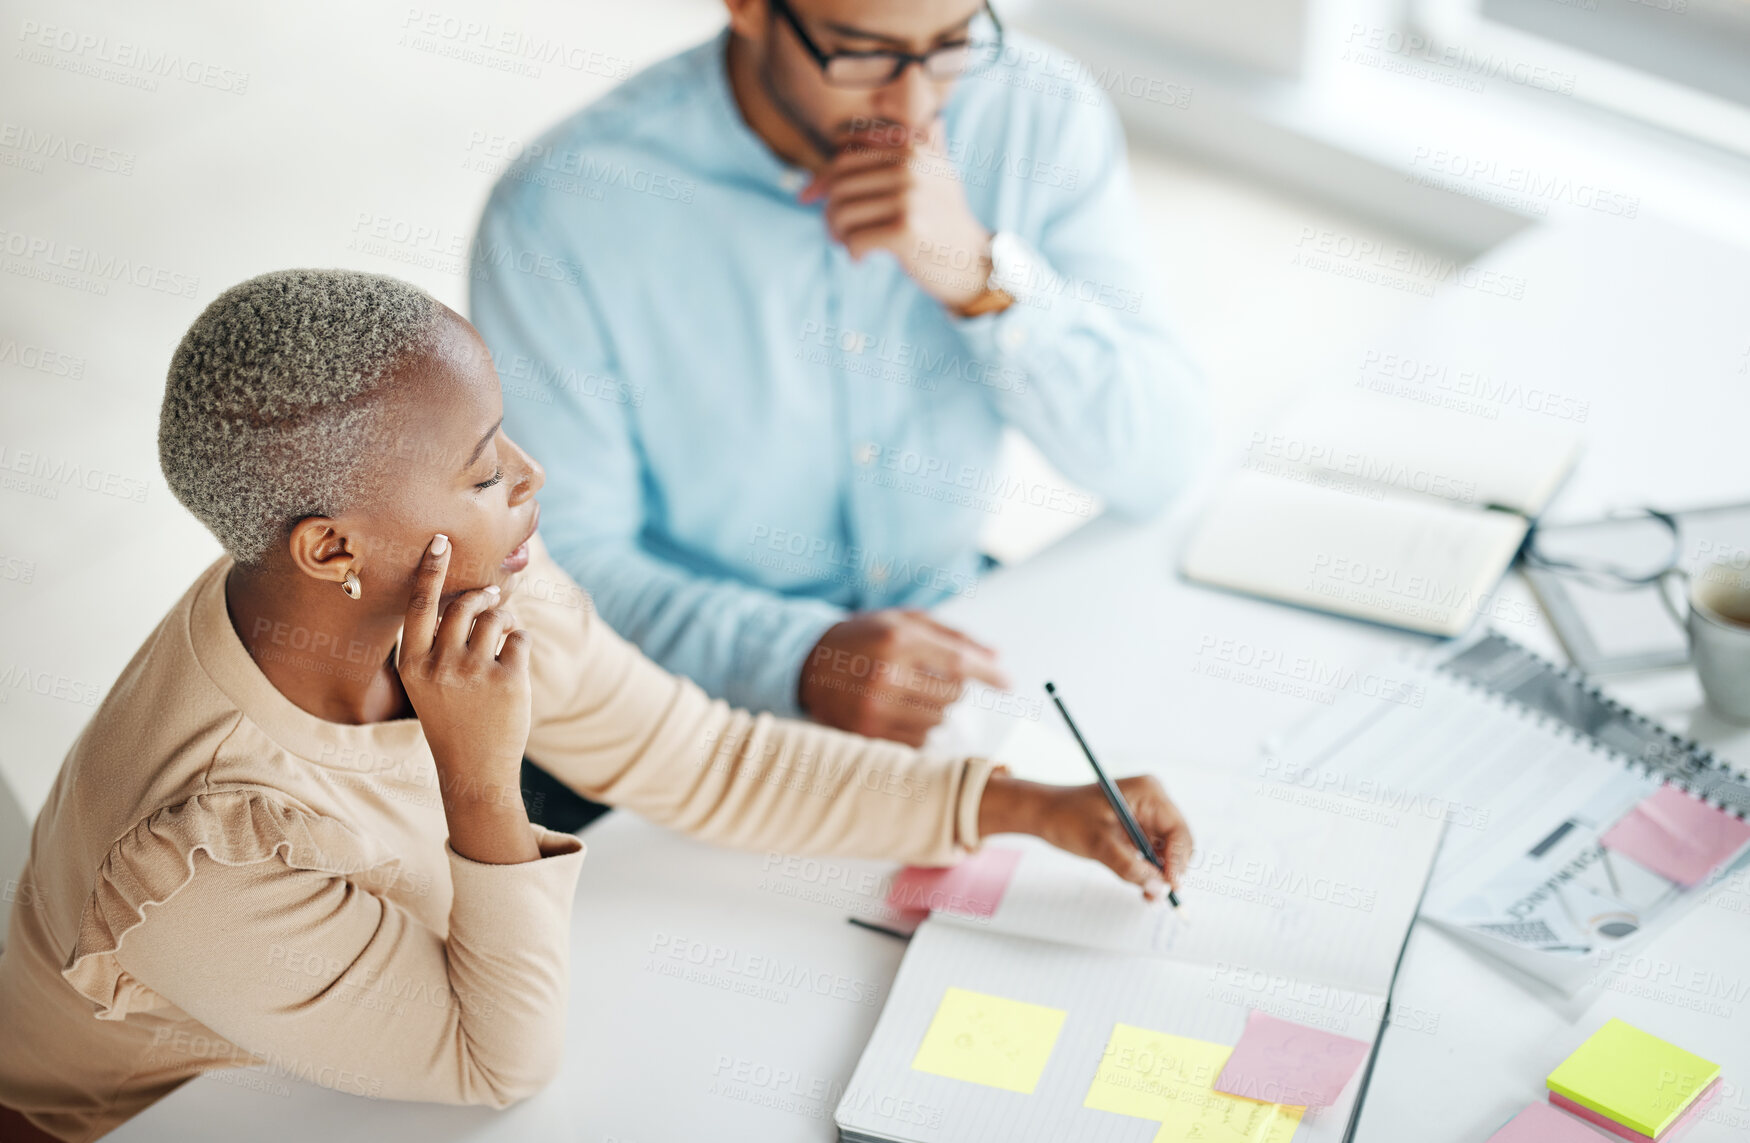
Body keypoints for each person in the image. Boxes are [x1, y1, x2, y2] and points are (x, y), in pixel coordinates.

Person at [0, 269, 1194, 1142]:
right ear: (328, 546)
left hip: (336, 1039)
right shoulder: (204, 855)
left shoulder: (451, 582)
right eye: (482, 470)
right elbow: (493, 1064)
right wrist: (482, 776)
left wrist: (1025, 805)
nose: (530, 479)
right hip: (164, 1116)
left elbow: (707, 761)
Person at [469, 0, 1209, 747]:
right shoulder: (560, 211)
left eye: (952, 44)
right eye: (863, 54)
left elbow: (1163, 460)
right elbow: (553, 570)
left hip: (954, 626)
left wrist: (985, 277)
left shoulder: (1039, 116)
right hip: (683, 704)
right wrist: (797, 658)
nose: (917, 105)